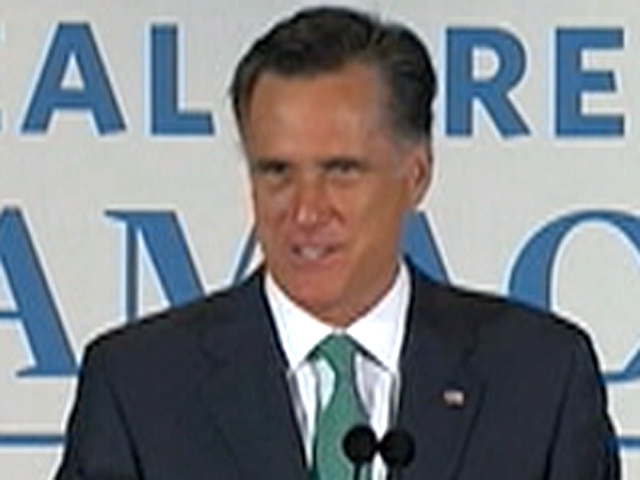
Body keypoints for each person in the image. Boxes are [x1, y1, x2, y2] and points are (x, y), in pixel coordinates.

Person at [55, 6, 619, 480]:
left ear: (416, 175)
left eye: (341, 171)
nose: (306, 211)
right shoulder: (139, 389)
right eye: (277, 172)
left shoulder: (540, 381)